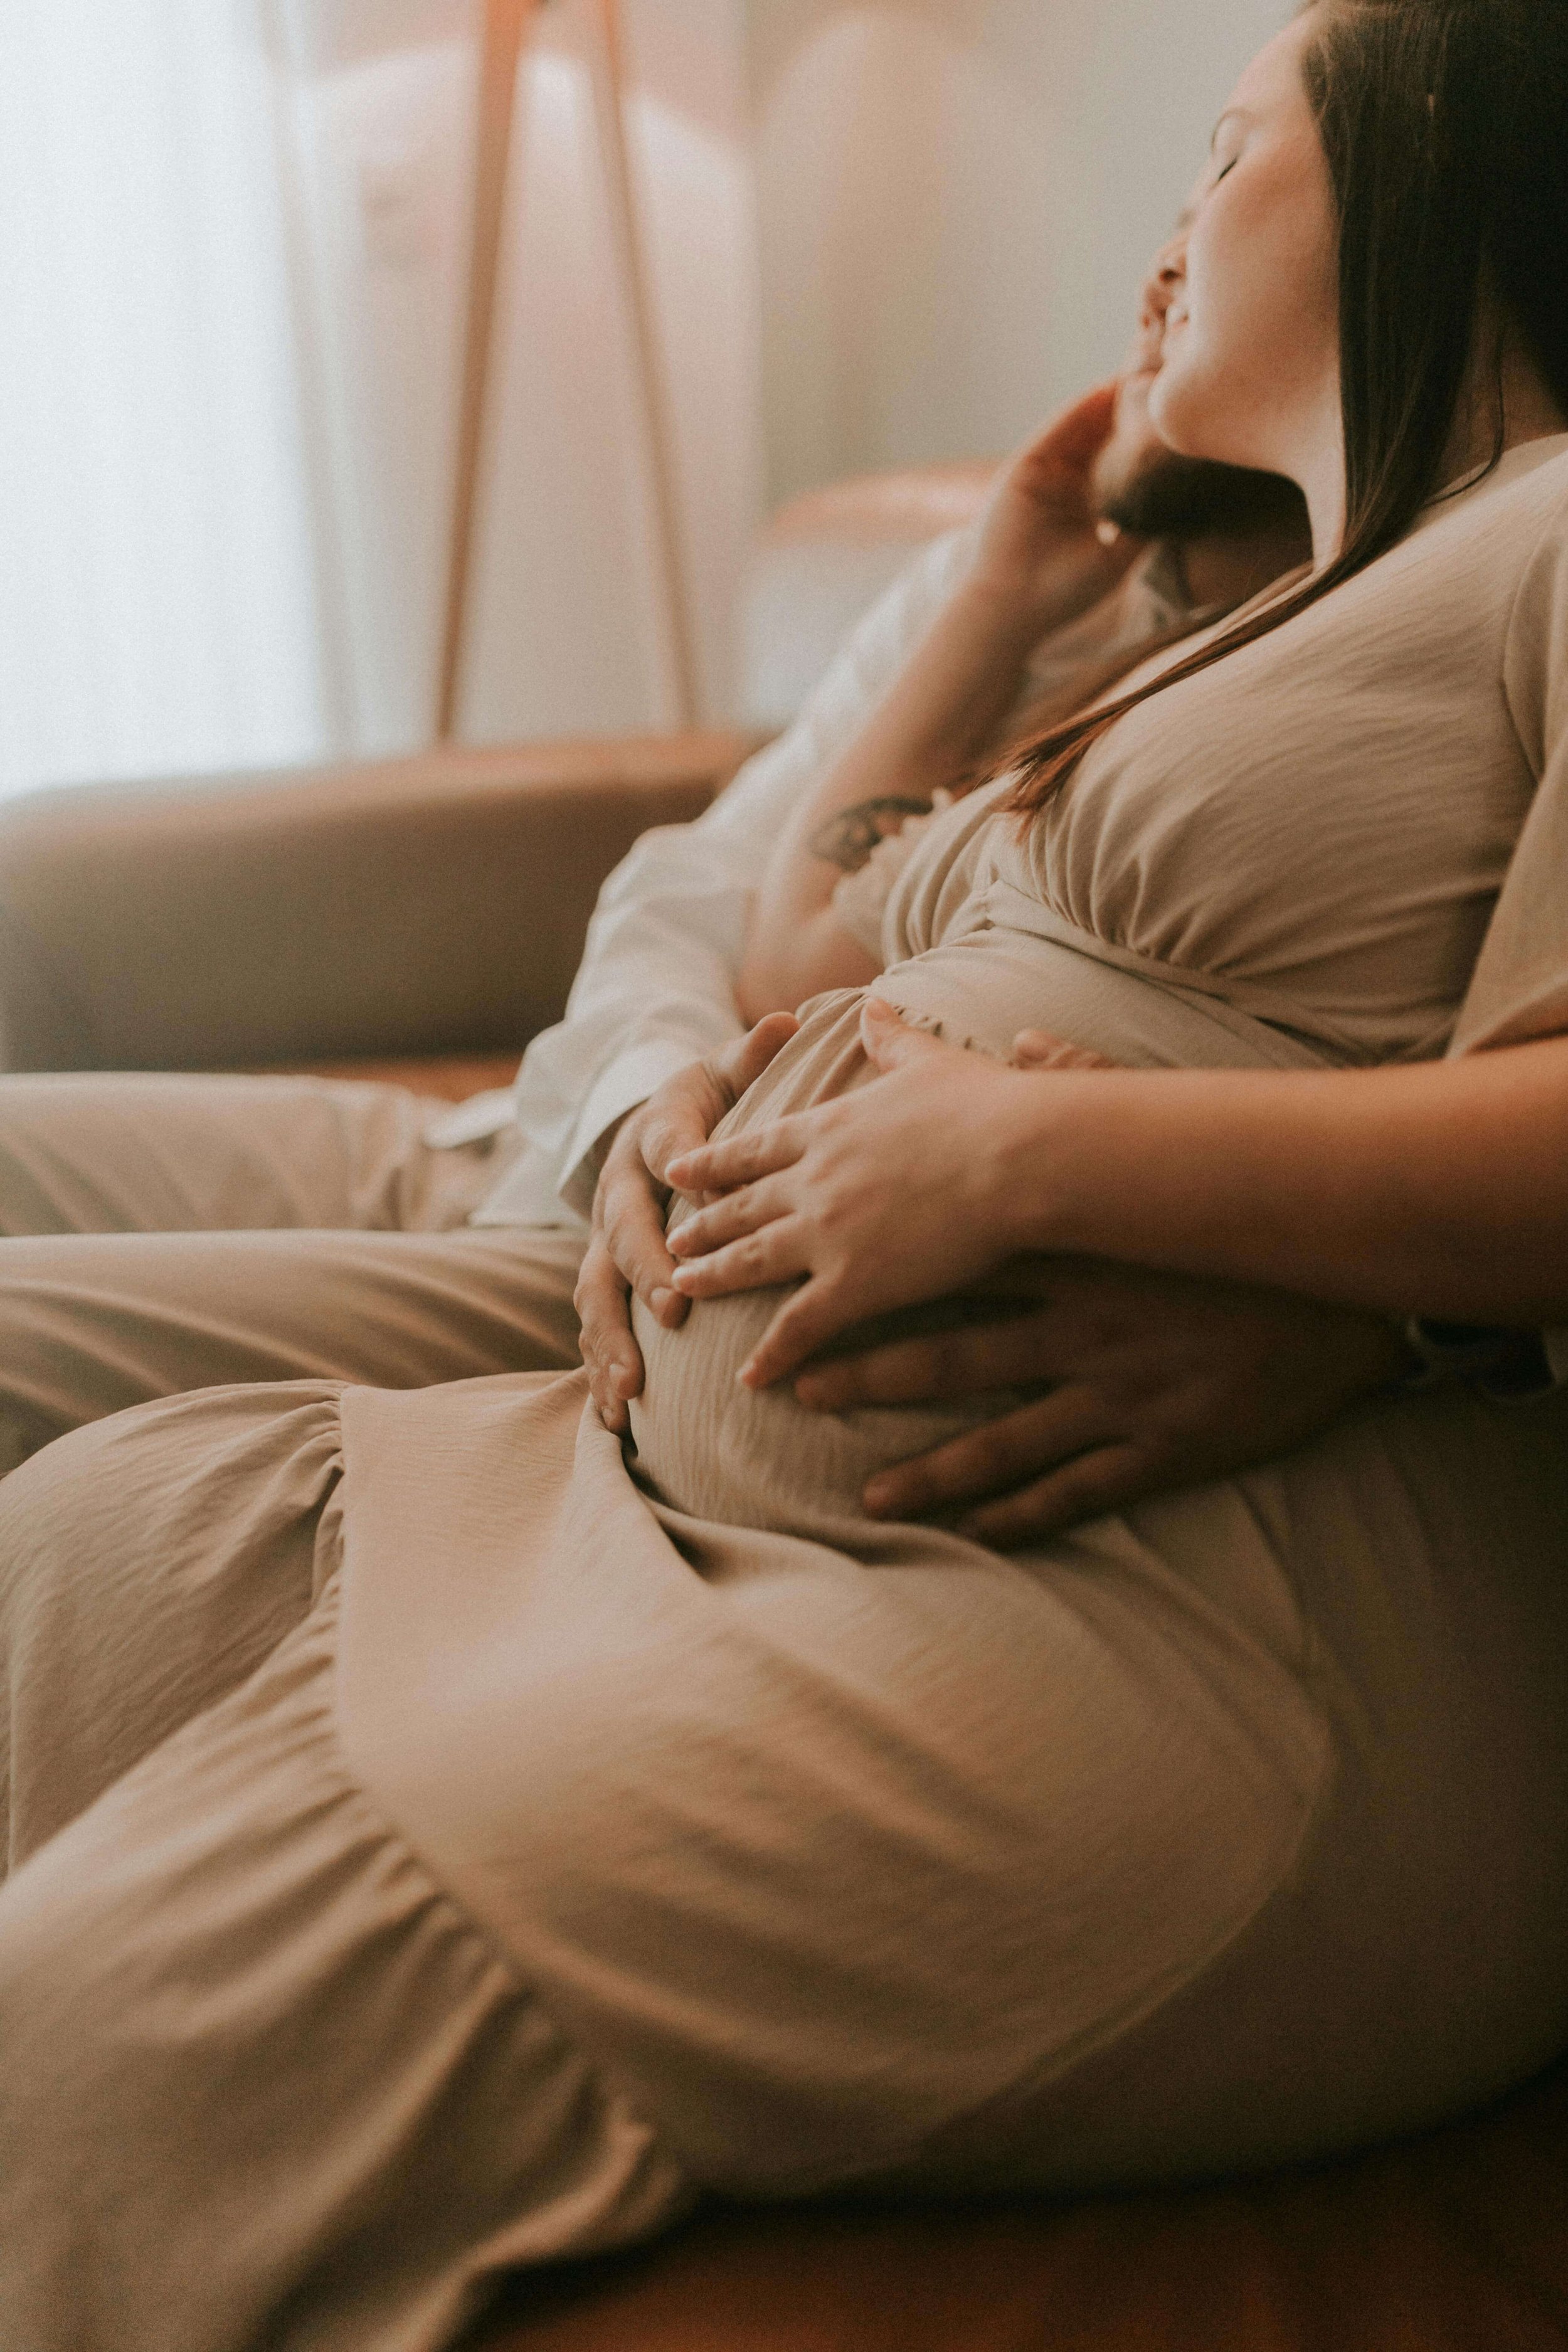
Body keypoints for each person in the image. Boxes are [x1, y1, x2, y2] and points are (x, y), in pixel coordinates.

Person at [6, 8, 1568, 2351]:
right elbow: (810, 930)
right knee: (84, 1556)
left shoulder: (1551, 550)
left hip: (1212, 1635)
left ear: (1443, 163)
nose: (1162, 238)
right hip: (737, 1461)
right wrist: (1007, 603)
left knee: (108, 2018)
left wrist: (1048, 1146)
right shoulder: (1247, 628)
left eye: (1225, 155)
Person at [0, 262, 1329, 1547]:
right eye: (1176, 197)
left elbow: (793, 965)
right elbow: (688, 880)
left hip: (645, 1279)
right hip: (521, 1138)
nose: (1162, 265)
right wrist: (637, 1103)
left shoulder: (1312, 704)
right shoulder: (1023, 571)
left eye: (1226, 181)